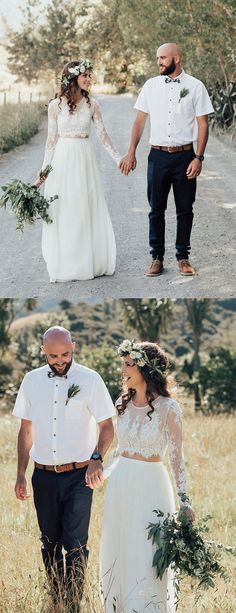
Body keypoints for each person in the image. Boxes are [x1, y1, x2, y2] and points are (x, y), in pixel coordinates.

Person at [13, 326, 115, 610]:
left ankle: (72, 605)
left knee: (76, 543)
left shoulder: (90, 379)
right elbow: (25, 431)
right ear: (43, 351)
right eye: (53, 356)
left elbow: (107, 426)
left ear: (74, 347)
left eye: (65, 355)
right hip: (43, 476)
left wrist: (97, 457)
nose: (60, 361)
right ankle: (56, 598)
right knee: (49, 542)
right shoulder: (31, 381)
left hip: (79, 476)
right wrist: (21, 473)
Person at [100, 340, 195, 613]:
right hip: (121, 484)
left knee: (147, 552)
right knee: (120, 548)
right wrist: (102, 474)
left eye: (128, 364)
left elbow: (177, 458)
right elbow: (120, 450)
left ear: (146, 368)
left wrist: (185, 500)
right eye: (124, 364)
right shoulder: (122, 404)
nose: (123, 370)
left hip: (151, 485)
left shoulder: (169, 408)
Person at [120, 43, 214, 277]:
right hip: (158, 156)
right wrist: (131, 151)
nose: (159, 61)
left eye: (162, 57)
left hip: (185, 156)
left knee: (185, 210)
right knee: (156, 209)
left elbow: (203, 123)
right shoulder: (151, 86)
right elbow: (140, 121)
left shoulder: (195, 86)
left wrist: (198, 157)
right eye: (157, 58)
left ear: (177, 58)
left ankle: (183, 258)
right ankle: (157, 258)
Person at [35, 59, 121, 283]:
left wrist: (119, 159)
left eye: (89, 76)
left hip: (84, 158)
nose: (89, 80)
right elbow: (51, 141)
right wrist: (43, 172)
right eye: (85, 76)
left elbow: (102, 135)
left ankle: (88, 261)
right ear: (73, 78)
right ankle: (68, 263)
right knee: (65, 209)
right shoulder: (56, 106)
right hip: (63, 159)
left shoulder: (93, 104)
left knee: (84, 208)